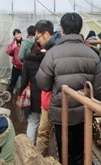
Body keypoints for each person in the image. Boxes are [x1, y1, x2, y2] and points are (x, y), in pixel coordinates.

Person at [36, 13, 101, 165]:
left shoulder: (52, 54)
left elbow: (43, 84)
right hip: (83, 113)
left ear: (62, 30)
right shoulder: (93, 55)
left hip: (61, 113)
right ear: (80, 29)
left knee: (65, 153)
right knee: (80, 153)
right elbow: (97, 90)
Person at [33, 19, 59, 157]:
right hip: (54, 98)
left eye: (38, 37)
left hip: (51, 99)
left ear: (47, 34)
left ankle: (39, 159)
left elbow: (43, 79)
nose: (38, 41)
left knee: (44, 131)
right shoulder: (50, 49)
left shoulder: (53, 51)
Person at [19, 42, 45, 145]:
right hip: (45, 95)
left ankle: (29, 148)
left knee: (33, 123)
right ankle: (41, 149)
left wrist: (21, 92)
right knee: (44, 126)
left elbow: (24, 80)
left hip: (32, 96)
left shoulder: (27, 62)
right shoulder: (46, 60)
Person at [6, 28, 23, 94]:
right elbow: (8, 52)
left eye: (19, 33)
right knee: (13, 80)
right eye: (16, 34)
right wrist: (13, 48)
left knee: (24, 81)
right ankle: (9, 94)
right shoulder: (12, 44)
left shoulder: (24, 42)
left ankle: (22, 94)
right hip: (16, 66)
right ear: (14, 36)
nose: (18, 35)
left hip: (23, 66)